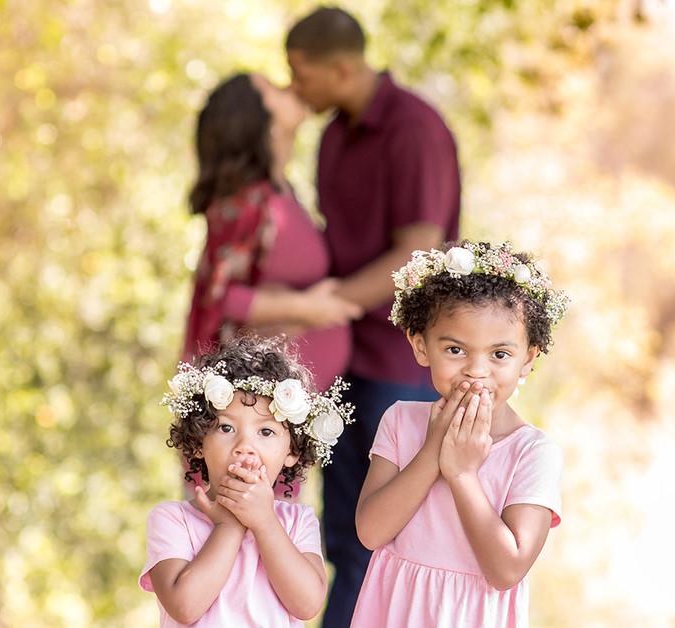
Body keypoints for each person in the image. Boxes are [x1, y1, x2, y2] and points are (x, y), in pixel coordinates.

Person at [285, 8, 462, 623]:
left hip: (398, 364)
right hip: (339, 359)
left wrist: (328, 303)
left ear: (341, 68)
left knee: (389, 542)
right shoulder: (334, 136)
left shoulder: (414, 129)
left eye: (301, 74)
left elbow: (417, 253)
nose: (293, 88)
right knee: (343, 537)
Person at [351, 241, 568, 627]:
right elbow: (370, 532)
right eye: (455, 350)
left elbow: (507, 570)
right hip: (395, 611)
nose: (476, 370)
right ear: (421, 346)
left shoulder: (533, 452)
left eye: (499, 354)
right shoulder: (400, 420)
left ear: (528, 359)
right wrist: (432, 450)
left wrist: (463, 474)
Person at [140, 335, 355, 626]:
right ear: (199, 441)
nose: (245, 446)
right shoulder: (172, 519)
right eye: (226, 428)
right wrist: (229, 524)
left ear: (292, 451)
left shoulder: (297, 521)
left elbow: (308, 606)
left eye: (265, 432)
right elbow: (185, 607)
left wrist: (264, 521)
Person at [183, 72, 362, 392]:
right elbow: (221, 297)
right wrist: (305, 308)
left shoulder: (283, 192)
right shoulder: (245, 203)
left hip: (305, 397)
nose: (291, 87)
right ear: (259, 121)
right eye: (276, 89)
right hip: (264, 404)